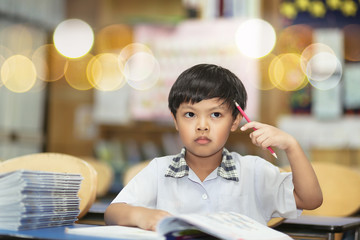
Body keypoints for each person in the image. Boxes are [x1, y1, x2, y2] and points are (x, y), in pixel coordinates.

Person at [104, 63, 323, 231]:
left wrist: (292, 146)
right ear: (175, 120)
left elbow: (310, 200)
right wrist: (140, 216)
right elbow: (113, 212)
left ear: (235, 121)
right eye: (190, 114)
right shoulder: (159, 170)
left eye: (216, 115)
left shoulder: (254, 170)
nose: (202, 126)